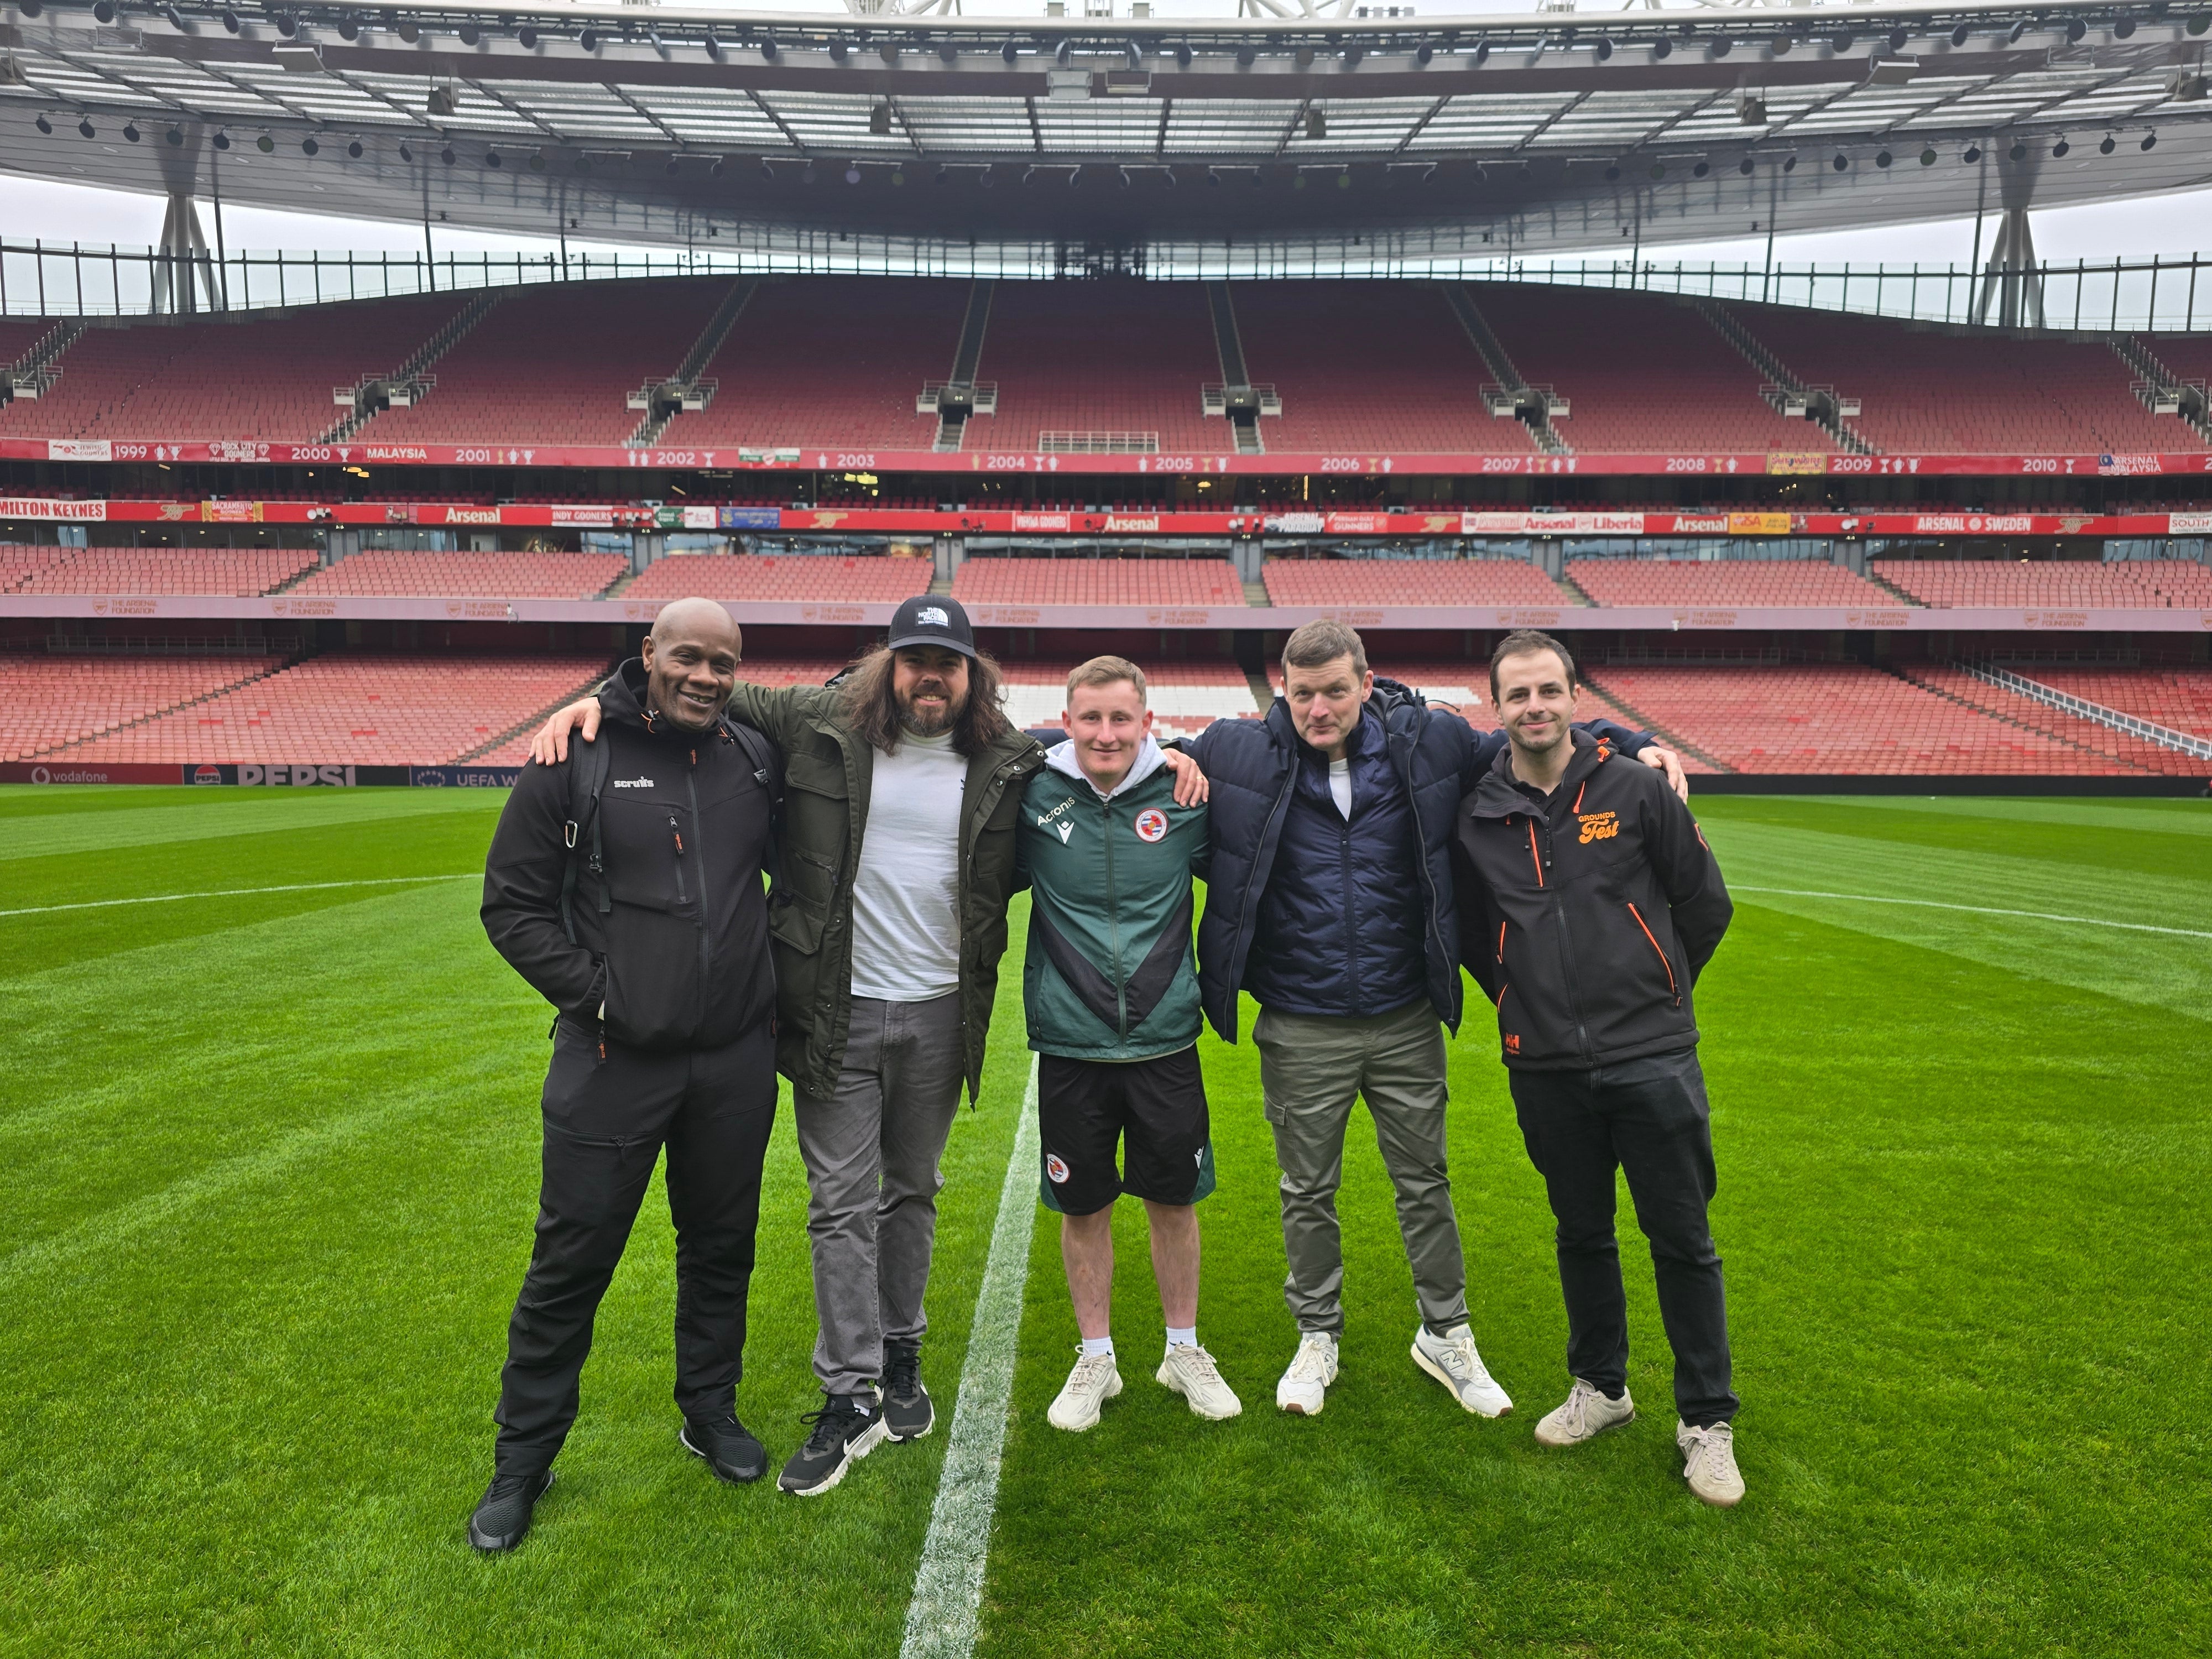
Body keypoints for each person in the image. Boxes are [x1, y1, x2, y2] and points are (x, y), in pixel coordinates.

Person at [528, 596, 1204, 1496]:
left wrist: (1182, 757)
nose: (931, 677)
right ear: (890, 661)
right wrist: (601, 700)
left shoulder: (1009, 759)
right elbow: (703, 689)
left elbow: (1109, 744)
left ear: (972, 675)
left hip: (938, 1014)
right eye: (915, 658)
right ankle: (848, 1394)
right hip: (832, 1007)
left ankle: (901, 1358)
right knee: (839, 1201)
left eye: (948, 662)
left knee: (912, 1192)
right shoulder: (820, 720)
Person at [1176, 619, 1686, 1421]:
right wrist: (1171, 755)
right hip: (1301, 1017)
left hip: (1405, 1010)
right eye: (1303, 694)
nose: (1319, 708)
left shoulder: (1431, 743)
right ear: (1284, 691)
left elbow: (1535, 731)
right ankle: (1317, 1335)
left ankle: (1445, 1331)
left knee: (1425, 1182)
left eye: (1335, 690)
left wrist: (1632, 739)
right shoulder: (1234, 751)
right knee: (1307, 1188)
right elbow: (1129, 743)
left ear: (1367, 681)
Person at [473, 598, 781, 1553]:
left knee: (722, 1246)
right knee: (571, 1265)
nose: (705, 676)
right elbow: (512, 907)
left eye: (723, 663)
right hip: (611, 1062)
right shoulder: (576, 755)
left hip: (734, 1059)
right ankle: (522, 1462)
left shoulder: (752, 755)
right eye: (687, 656)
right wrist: (603, 997)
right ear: (649, 653)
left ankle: (708, 1411)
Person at [1451, 629, 1741, 1507]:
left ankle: (1707, 1421)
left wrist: (1654, 997)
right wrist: (1524, 1004)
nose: (1534, 708)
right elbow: (1473, 934)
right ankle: (1601, 1390)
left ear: (1576, 697)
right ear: (1495, 709)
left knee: (1683, 1240)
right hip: (1542, 1066)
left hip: (1650, 1058)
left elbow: (1704, 905)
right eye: (1518, 696)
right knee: (1581, 1233)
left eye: (1549, 691)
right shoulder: (1477, 811)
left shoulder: (1636, 786)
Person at [1021, 656, 1238, 1433]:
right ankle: (1096, 1359)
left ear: (1147, 723)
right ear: (1067, 720)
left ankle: (1183, 1350)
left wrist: (1188, 757)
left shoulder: (1185, 796)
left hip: (1165, 1039)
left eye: (1121, 719)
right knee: (1082, 1207)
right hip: (1072, 1046)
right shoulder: (1031, 791)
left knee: (1173, 1201)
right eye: (1091, 719)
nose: (1105, 734)